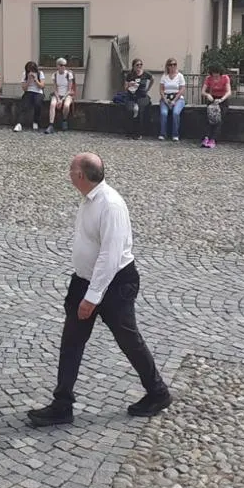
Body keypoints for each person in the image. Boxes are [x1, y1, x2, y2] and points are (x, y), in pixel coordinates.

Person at [27, 154, 171, 428]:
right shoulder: (89, 199)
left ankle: (158, 392)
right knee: (71, 341)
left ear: (81, 176)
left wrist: (92, 297)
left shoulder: (110, 205)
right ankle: (62, 404)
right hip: (84, 280)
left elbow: (110, 256)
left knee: (128, 339)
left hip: (115, 284)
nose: (69, 174)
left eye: (71, 169)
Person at [113, 59, 151, 139]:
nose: (139, 66)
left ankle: (138, 132)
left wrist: (147, 89)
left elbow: (152, 79)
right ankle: (129, 132)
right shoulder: (130, 75)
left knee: (140, 109)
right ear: (133, 66)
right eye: (137, 65)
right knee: (129, 110)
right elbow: (125, 88)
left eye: (141, 64)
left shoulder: (145, 74)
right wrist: (130, 84)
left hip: (142, 96)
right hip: (131, 96)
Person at [200, 64, 231, 149]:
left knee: (218, 119)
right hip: (212, 98)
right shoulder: (208, 78)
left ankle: (213, 139)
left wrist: (221, 99)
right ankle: (206, 137)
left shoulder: (225, 78)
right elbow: (203, 91)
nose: (216, 77)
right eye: (214, 75)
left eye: (217, 75)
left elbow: (229, 92)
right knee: (209, 118)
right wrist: (207, 95)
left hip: (222, 99)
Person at [157, 58, 185, 142]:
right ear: (167, 66)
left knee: (175, 113)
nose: (173, 66)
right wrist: (165, 100)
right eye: (171, 65)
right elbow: (161, 90)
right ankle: (163, 133)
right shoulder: (164, 76)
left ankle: (175, 134)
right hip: (166, 98)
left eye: (174, 64)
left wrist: (174, 101)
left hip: (178, 98)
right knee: (163, 113)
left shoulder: (180, 76)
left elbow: (182, 90)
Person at [47, 58, 76, 133]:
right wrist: (58, 98)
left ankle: (64, 120)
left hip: (67, 94)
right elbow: (55, 89)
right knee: (52, 104)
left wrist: (62, 100)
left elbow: (69, 90)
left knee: (66, 105)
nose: (63, 67)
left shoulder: (68, 74)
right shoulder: (55, 75)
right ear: (57, 66)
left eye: (64, 65)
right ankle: (51, 125)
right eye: (61, 65)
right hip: (58, 94)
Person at [16, 62, 45, 133]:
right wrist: (28, 80)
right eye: (29, 70)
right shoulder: (25, 74)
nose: (31, 72)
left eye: (32, 70)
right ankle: (19, 124)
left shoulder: (40, 73)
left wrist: (35, 80)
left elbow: (42, 86)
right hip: (28, 92)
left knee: (37, 104)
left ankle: (35, 121)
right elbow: (24, 89)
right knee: (24, 105)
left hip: (38, 92)